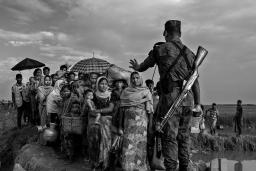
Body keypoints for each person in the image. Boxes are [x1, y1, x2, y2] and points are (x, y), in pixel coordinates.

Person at [129, 20, 201, 171]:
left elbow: (142, 67)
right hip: (188, 99)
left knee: (170, 138)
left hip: (170, 99)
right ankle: (184, 168)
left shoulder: (160, 49)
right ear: (180, 34)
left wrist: (137, 67)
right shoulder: (190, 53)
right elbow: (195, 80)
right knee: (184, 137)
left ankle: (170, 168)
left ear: (165, 33)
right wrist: (198, 104)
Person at [118, 72, 153, 171]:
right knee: (127, 148)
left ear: (141, 79)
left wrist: (150, 127)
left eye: (137, 78)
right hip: (128, 125)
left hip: (142, 126)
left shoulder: (146, 92)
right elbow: (121, 109)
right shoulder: (126, 91)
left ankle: (140, 168)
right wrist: (120, 126)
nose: (135, 80)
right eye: (133, 78)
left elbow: (150, 111)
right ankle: (127, 168)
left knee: (140, 148)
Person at [87, 76, 114, 171]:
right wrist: (94, 112)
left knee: (106, 142)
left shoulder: (111, 94)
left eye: (105, 84)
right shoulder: (93, 95)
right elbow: (91, 110)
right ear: (98, 84)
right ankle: (95, 163)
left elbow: (110, 109)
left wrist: (99, 111)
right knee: (95, 141)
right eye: (101, 83)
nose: (104, 86)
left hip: (107, 122)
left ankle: (105, 163)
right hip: (96, 121)